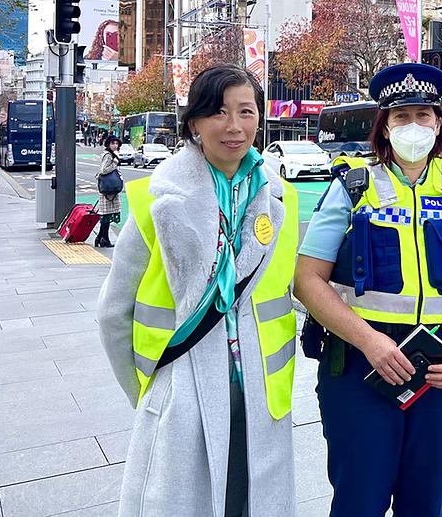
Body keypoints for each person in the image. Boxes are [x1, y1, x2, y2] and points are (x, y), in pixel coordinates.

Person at [293, 62, 442, 517]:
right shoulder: (352, 187)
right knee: (359, 502)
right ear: (384, 127)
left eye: (423, 115)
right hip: (361, 371)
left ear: (439, 123)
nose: (414, 126)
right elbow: (307, 280)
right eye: (401, 117)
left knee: (426, 504)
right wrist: (370, 341)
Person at [97, 64, 299, 517]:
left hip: (260, 393)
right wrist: (149, 395)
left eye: (247, 112)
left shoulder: (280, 199)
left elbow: (297, 284)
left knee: (252, 503)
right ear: (194, 122)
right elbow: (113, 313)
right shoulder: (156, 199)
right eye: (219, 112)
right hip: (182, 388)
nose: (234, 126)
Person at [94, 136, 123, 248]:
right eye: (112, 143)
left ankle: (100, 238)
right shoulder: (108, 155)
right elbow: (104, 170)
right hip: (108, 190)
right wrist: (115, 163)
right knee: (106, 215)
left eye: (116, 143)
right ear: (108, 145)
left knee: (107, 214)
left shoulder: (112, 154)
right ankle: (104, 239)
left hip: (110, 190)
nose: (115, 145)